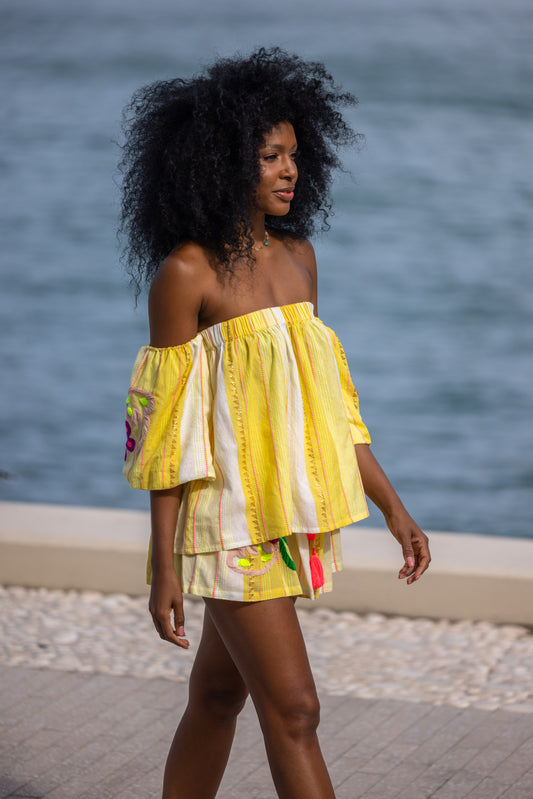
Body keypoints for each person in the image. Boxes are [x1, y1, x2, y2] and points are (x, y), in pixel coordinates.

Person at [119, 47, 431, 799]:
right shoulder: (185, 274)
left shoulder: (299, 259)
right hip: (227, 526)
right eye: (269, 156)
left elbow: (331, 403)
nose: (289, 170)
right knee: (294, 709)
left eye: (294, 154)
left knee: (219, 697)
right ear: (224, 161)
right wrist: (162, 562)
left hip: (289, 517)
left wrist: (393, 505)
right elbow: (165, 431)